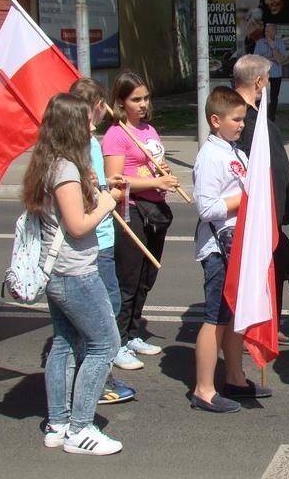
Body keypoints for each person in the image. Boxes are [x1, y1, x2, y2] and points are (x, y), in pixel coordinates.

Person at [23, 94, 122, 455]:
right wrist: (107, 204)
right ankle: (80, 428)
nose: (92, 126)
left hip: (59, 274)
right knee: (105, 344)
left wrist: (97, 189)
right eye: (86, 121)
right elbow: (78, 226)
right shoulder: (64, 169)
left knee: (65, 343)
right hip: (75, 273)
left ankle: (58, 422)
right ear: (70, 126)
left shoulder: (52, 163)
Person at [191, 86, 272, 413]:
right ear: (215, 120)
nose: (241, 125)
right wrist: (249, 197)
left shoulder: (234, 152)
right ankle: (203, 389)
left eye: (243, 119)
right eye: (236, 119)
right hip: (218, 249)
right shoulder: (211, 156)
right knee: (216, 318)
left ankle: (235, 378)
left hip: (239, 245)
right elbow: (206, 208)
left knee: (235, 315)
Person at [103, 70, 180, 370]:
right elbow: (116, 181)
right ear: (121, 102)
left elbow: (150, 165)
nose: (143, 104)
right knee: (129, 279)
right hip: (130, 212)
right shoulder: (116, 134)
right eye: (136, 99)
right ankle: (117, 341)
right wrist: (154, 184)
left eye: (146, 98)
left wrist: (162, 170)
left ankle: (133, 332)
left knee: (147, 277)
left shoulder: (148, 130)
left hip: (155, 212)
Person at [69, 78, 137, 405]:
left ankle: (93, 375)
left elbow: (92, 181)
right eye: (101, 105)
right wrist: (109, 194)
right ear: (96, 106)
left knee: (106, 309)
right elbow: (85, 194)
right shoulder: (82, 144)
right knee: (104, 314)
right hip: (97, 238)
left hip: (102, 236)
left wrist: (108, 181)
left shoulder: (88, 143)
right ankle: (98, 381)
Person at [234, 54, 289, 345]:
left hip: (271, 211)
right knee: (265, 269)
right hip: (259, 213)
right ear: (259, 81)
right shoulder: (240, 115)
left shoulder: (255, 112)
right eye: (267, 79)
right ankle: (259, 326)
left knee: (276, 268)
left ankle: (267, 323)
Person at [253, 23, 287, 121]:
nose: (266, 33)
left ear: (274, 32)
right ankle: (259, 117)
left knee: (274, 98)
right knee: (260, 96)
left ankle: (271, 118)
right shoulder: (259, 43)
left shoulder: (280, 43)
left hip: (276, 75)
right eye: (265, 31)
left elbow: (280, 60)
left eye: (268, 31)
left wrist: (273, 47)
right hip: (263, 75)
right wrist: (272, 58)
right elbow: (256, 59)